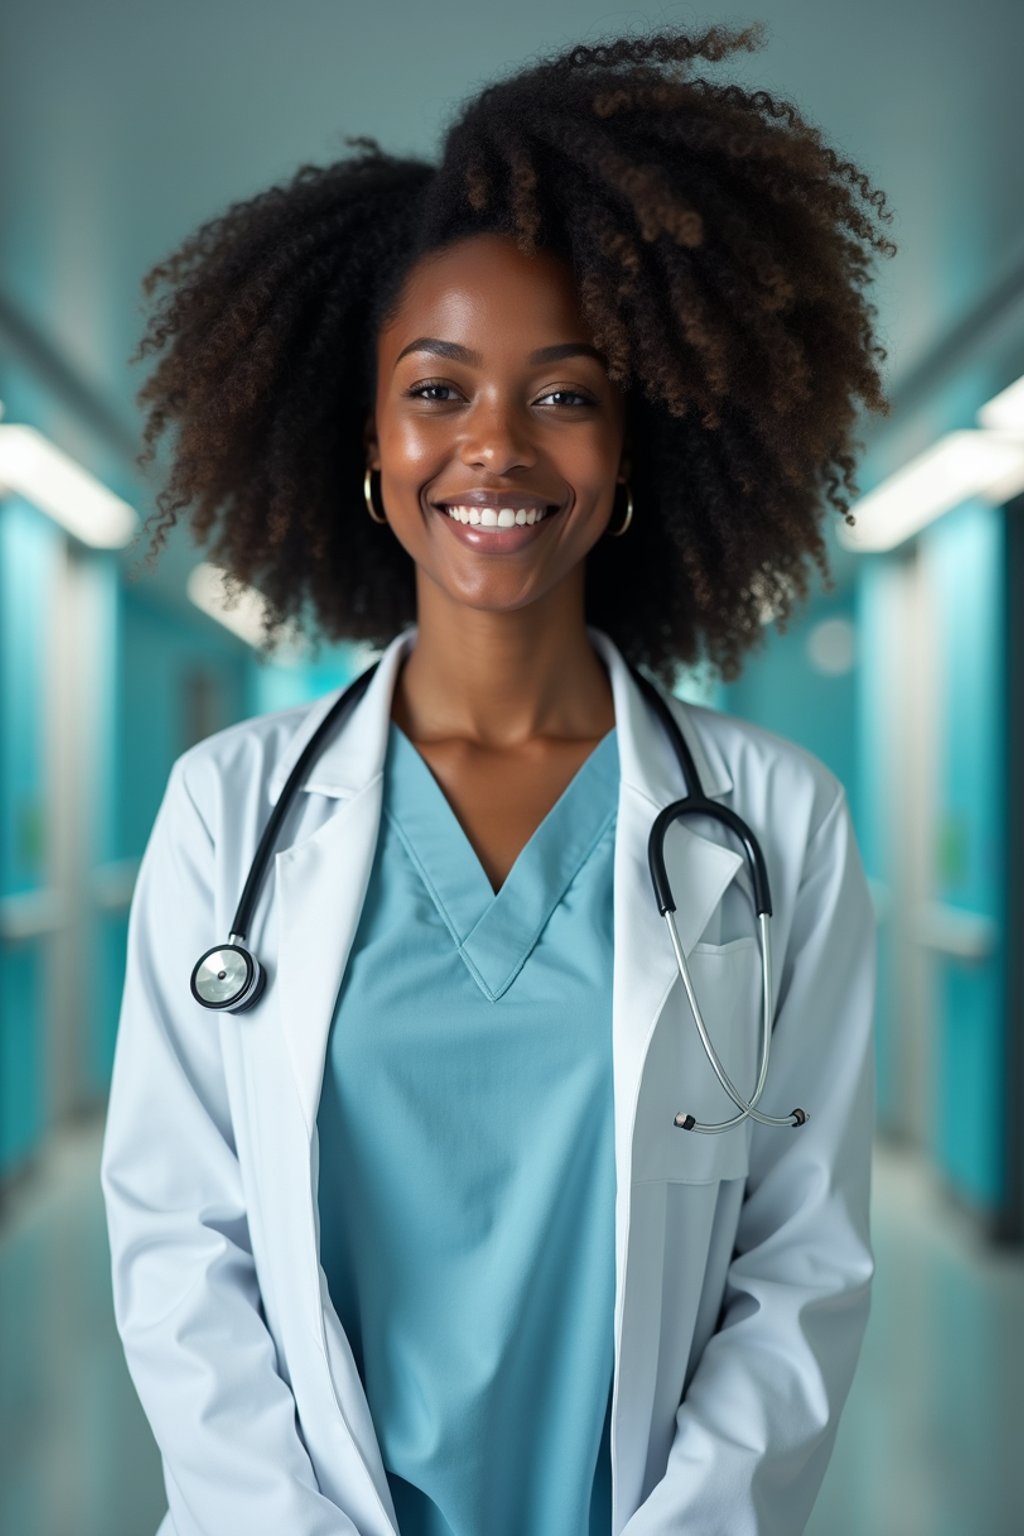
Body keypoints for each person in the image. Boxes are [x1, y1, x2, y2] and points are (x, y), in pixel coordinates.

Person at [101, 22, 896, 1536]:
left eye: (566, 393)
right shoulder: (232, 809)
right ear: (371, 439)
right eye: (438, 388)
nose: (497, 448)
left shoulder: (773, 822)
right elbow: (176, 1236)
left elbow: (802, 1261)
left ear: (637, 437)